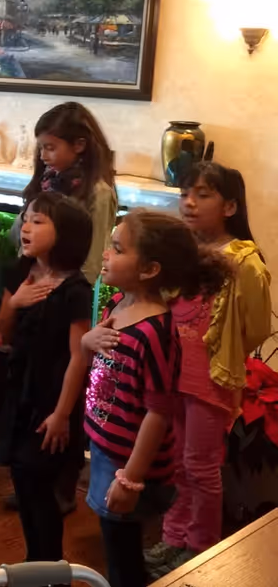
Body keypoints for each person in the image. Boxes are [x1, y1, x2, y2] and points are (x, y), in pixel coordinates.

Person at [83, 211, 230, 587]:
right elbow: (98, 356)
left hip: (128, 464)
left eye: (117, 248)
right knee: (114, 542)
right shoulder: (117, 303)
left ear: (149, 269)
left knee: (122, 555)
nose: (105, 254)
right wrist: (88, 341)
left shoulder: (155, 332)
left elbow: (159, 412)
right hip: (105, 448)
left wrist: (131, 479)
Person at [145, 163, 271, 578]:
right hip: (173, 375)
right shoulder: (182, 252)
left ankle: (203, 547)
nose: (189, 202)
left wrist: (221, 352)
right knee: (175, 462)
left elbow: (256, 326)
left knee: (201, 465)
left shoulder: (244, 260)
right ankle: (174, 535)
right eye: (185, 193)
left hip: (211, 381)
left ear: (230, 206)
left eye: (202, 194)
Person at [0, 193, 93, 563]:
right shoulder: (24, 272)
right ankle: (34, 564)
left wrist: (63, 413)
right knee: (23, 484)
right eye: (27, 219)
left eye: (40, 221)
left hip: (52, 400)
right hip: (22, 393)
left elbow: (78, 357)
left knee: (41, 490)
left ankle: (50, 569)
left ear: (65, 234)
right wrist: (15, 303)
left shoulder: (75, 290)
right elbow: (3, 332)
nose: (26, 227)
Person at [20, 102, 118, 284]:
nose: (42, 156)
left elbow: (93, 258)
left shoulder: (98, 192)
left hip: (65, 290)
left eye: (50, 148)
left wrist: (71, 292)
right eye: (41, 148)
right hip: (31, 280)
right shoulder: (46, 182)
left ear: (79, 145)